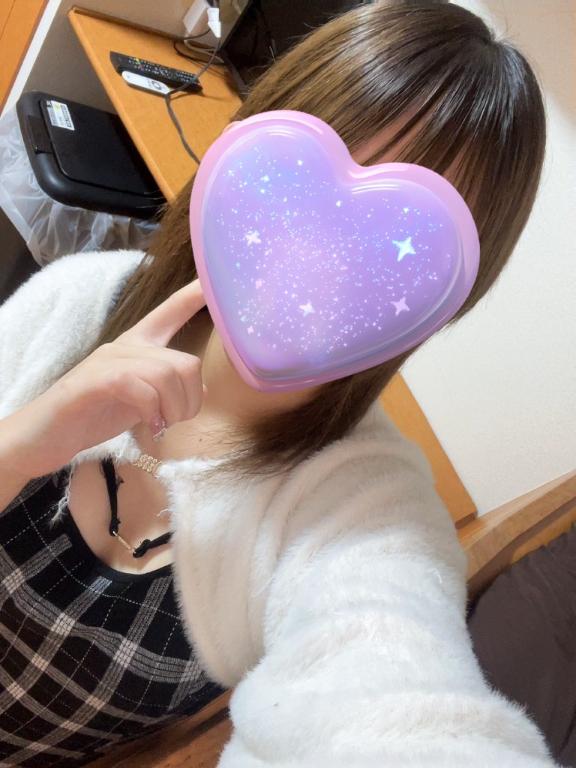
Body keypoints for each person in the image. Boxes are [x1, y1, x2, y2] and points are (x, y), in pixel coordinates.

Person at [0, 1, 558, 766]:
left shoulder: (362, 513)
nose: (318, 252)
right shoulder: (74, 305)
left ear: (446, 296)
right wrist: (19, 446)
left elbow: (399, 698)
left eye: (396, 240)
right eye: (299, 180)